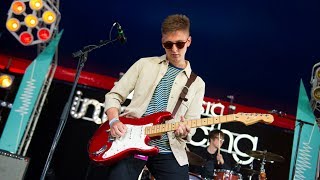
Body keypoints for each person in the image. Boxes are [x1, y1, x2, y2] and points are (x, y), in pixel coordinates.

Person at [103, 14, 205, 180]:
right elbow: (114, 95)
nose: (174, 49)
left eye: (179, 44)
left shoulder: (197, 84)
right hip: (131, 142)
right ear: (162, 42)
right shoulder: (144, 64)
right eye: (168, 44)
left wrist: (184, 131)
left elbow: (191, 123)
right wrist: (114, 121)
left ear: (189, 42)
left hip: (168, 148)